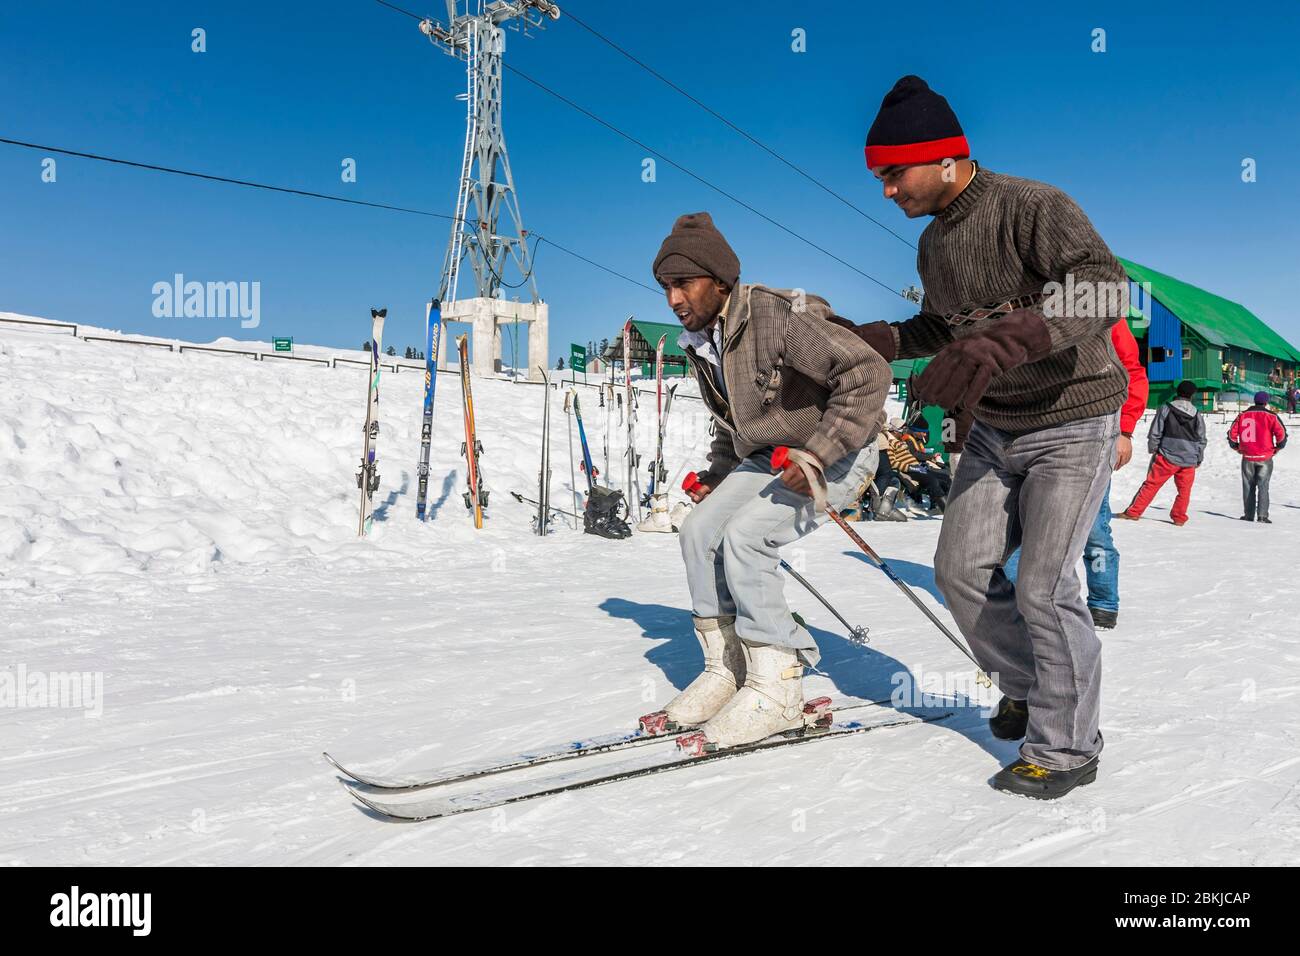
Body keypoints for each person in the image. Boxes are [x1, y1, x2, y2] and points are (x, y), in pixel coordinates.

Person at [842, 75, 1129, 799]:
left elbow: (1105, 288)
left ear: (944, 159)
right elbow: (950, 326)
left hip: (1074, 414)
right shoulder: (934, 246)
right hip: (998, 425)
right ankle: (1031, 687)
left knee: (1044, 584)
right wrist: (878, 338)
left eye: (892, 173)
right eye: (880, 176)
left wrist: (1006, 341)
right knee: (960, 569)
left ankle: (1067, 747)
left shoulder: (1032, 206)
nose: (885, 190)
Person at [639, 211, 892, 751]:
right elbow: (742, 425)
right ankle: (730, 668)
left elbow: (868, 374)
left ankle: (778, 684)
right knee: (698, 532)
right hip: (773, 458)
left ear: (720, 280)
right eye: (665, 287)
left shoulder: (777, 318)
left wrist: (819, 456)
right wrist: (716, 475)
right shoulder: (707, 340)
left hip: (841, 452)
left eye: (683, 284)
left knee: (748, 536)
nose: (673, 300)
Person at [1006, 319, 1149, 629]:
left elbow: (1132, 372)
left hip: (1091, 437)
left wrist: (1124, 430)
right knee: (1024, 525)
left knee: (1094, 527)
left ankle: (1103, 603)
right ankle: (1018, 601)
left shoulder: (1105, 313)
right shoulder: (1027, 309)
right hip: (1031, 434)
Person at [1119, 380, 1207, 525]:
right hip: (1189, 459)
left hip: (1167, 455)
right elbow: (1201, 439)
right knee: (1184, 491)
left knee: (1151, 485)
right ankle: (1179, 518)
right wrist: (1198, 458)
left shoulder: (1166, 408)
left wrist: (1153, 448)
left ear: (1177, 392)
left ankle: (1133, 512)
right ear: (1192, 395)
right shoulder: (1197, 414)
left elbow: (1156, 431)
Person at [1229, 391, 1288, 523]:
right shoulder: (1271, 416)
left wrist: (1237, 447)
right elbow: (1282, 435)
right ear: (1266, 402)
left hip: (1247, 456)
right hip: (1265, 456)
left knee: (1248, 486)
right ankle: (1262, 516)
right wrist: (1277, 448)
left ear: (1254, 401)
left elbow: (1231, 435)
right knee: (1263, 486)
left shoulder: (1242, 415)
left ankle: (1248, 515)